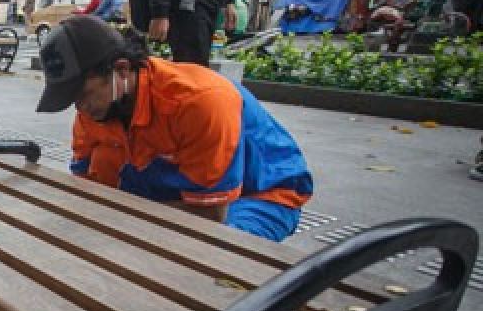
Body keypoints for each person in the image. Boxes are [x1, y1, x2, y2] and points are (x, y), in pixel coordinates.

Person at [36, 16, 313, 242]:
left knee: (216, 255)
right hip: (176, 192)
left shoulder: (199, 102)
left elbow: (211, 214)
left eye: (83, 95)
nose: (80, 108)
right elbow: (85, 190)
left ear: (120, 70)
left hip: (258, 195)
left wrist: (118, 223)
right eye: (73, 100)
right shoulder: (94, 109)